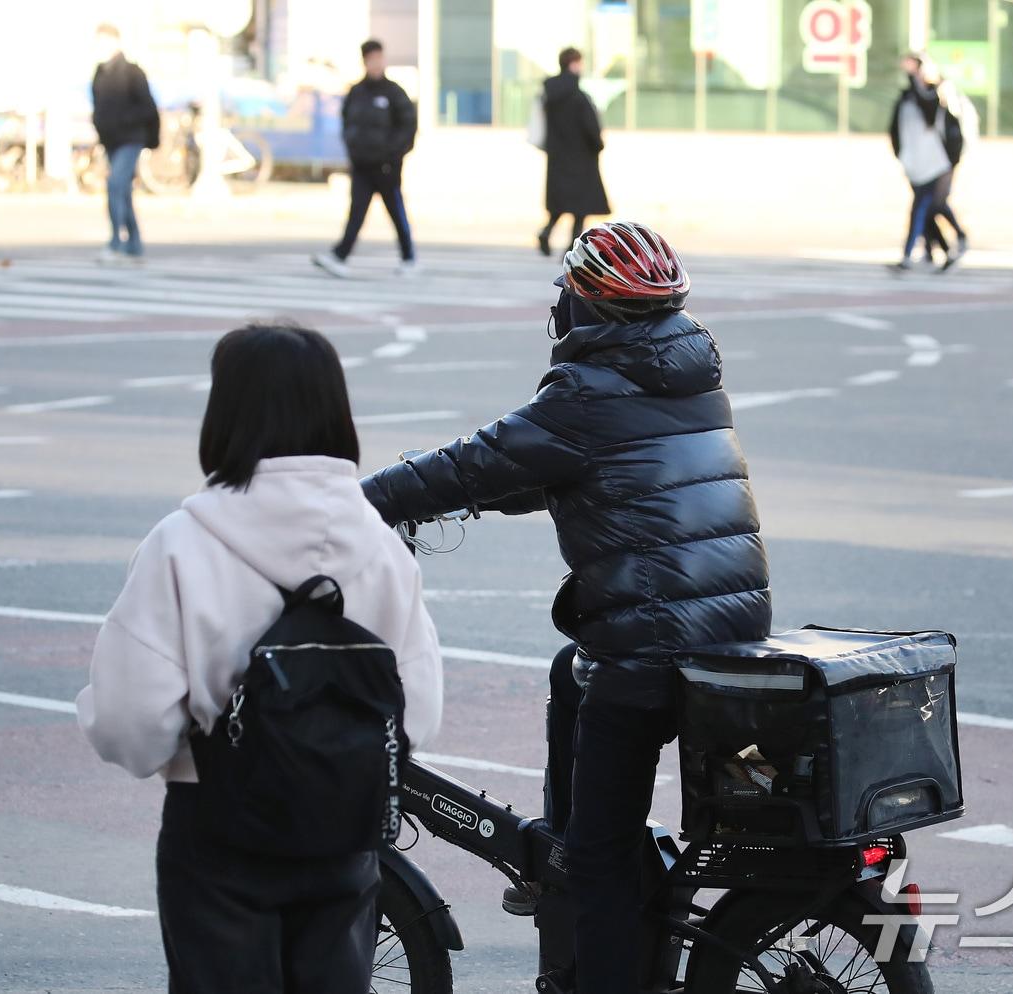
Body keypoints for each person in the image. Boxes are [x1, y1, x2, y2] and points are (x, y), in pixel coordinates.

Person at [360, 221, 771, 994]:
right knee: (567, 669)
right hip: (727, 629)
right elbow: (559, 473)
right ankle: (554, 852)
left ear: (582, 305)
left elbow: (476, 462)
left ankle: (586, 900)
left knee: (602, 857)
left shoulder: (584, 395)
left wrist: (362, 500)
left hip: (649, 649)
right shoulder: (687, 378)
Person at [76, 323, 444, 994]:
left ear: (228, 412)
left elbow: (131, 721)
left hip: (219, 823)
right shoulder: (381, 545)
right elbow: (417, 707)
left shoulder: (185, 542)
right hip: (345, 825)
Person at [313, 40, 419, 278]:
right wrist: (353, 150)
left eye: (378, 58)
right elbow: (348, 123)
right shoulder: (357, 92)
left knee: (396, 212)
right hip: (361, 165)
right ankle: (340, 256)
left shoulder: (394, 92)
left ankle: (409, 257)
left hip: (386, 167)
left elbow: (408, 126)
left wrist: (393, 154)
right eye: (371, 59)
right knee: (356, 212)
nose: (375, 63)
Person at [888, 53, 967, 272]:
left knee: (924, 207)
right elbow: (896, 130)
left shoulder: (937, 98)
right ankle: (946, 248)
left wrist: (950, 162)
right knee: (929, 209)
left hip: (936, 164)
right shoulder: (907, 99)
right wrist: (901, 154)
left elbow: (940, 122)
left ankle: (912, 253)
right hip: (916, 163)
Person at [90, 24, 159, 264]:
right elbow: (98, 108)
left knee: (115, 186)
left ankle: (116, 242)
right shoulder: (99, 73)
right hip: (112, 140)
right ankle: (135, 242)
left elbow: (148, 107)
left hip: (130, 138)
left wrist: (133, 127)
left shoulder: (132, 72)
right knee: (123, 192)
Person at [536, 48, 611, 257]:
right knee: (580, 208)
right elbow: (591, 128)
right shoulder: (579, 97)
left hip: (558, 158)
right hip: (581, 159)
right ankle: (571, 249)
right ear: (574, 64)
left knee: (560, 203)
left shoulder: (549, 95)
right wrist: (598, 145)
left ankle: (547, 232)